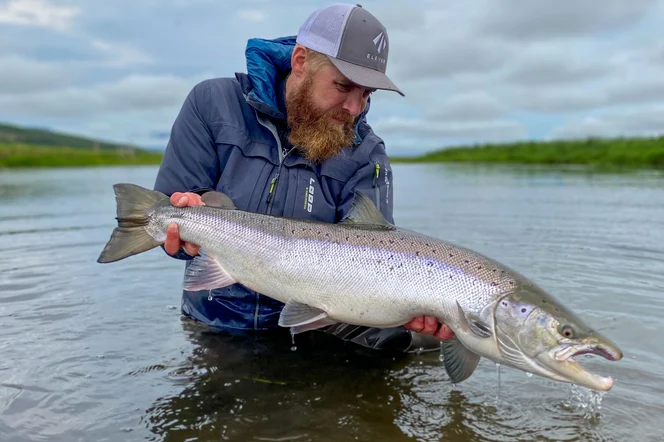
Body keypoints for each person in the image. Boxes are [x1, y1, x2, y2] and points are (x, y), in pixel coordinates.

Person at [153, 3, 453, 352]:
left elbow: (375, 258)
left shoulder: (367, 154)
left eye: (367, 94)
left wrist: (403, 310)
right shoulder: (212, 103)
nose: (355, 108)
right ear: (300, 61)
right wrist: (182, 221)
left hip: (309, 335)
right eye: (343, 86)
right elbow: (165, 222)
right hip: (212, 323)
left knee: (419, 344)